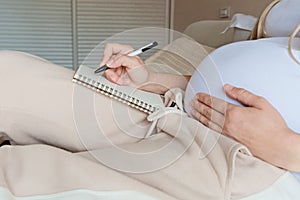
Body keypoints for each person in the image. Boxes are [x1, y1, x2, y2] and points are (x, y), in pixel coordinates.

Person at [101, 42, 300, 174]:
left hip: (245, 164)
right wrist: (150, 81)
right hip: (180, 115)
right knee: (74, 89)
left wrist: (285, 146)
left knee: (79, 173)